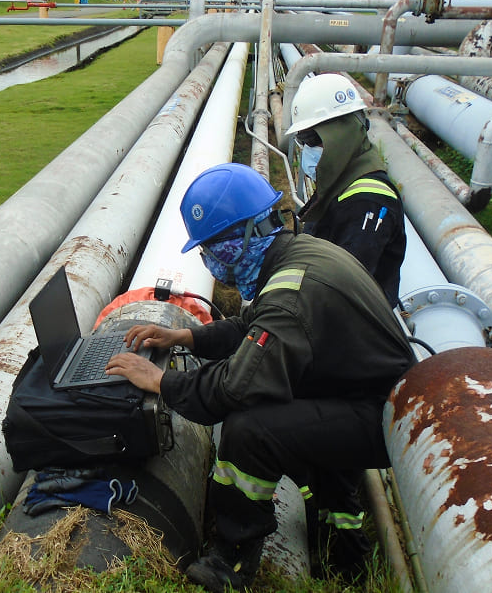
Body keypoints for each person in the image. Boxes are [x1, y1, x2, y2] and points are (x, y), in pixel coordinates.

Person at [105, 163, 416, 592]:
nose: (210, 262)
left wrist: (160, 382)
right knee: (287, 421)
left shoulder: (291, 294)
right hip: (364, 395)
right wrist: (187, 336)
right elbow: (247, 326)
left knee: (250, 429)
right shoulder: (295, 254)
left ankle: (231, 561)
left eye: (213, 250)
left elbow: (235, 387)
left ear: (241, 241)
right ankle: (343, 554)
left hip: (381, 418)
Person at [286, 73, 407, 308]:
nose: (307, 149)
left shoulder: (368, 202)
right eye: (303, 140)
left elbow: (339, 289)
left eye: (312, 139)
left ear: (342, 134)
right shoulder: (342, 178)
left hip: (354, 328)